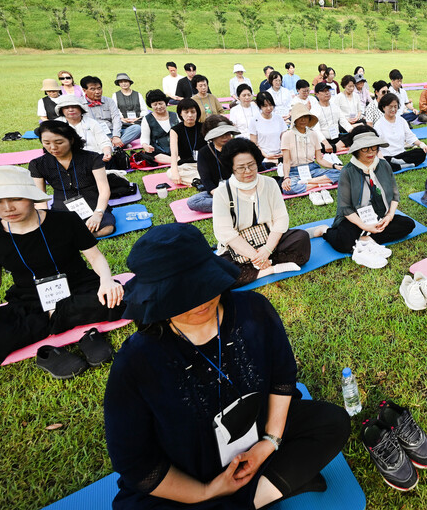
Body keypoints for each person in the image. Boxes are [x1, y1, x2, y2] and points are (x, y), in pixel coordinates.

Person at [104, 223, 349, 510]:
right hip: (188, 469)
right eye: (180, 296)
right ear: (156, 298)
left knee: (331, 422)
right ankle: (265, 491)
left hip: (257, 430)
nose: (199, 301)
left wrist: (268, 443)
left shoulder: (254, 311)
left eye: (202, 286)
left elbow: (282, 379)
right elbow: (137, 464)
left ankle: (254, 495)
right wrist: (207, 491)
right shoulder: (135, 362)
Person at [0, 166, 125, 392]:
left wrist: (106, 280)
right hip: (30, 299)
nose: (7, 208)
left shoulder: (66, 221)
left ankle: (56, 321)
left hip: (80, 287)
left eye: (16, 198)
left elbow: (95, 257)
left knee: (123, 298)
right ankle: (63, 321)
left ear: (31, 196)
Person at [213, 139, 312, 283]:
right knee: (220, 272)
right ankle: (270, 269)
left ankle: (256, 268)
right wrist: (255, 255)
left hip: (268, 239)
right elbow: (225, 233)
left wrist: (267, 250)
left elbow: (281, 219)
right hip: (239, 248)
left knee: (301, 238)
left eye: (251, 165)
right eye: (241, 167)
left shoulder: (270, 183)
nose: (248, 171)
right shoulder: (222, 192)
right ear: (232, 168)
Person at [322, 133, 416, 268]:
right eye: (365, 149)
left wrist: (389, 217)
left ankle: (365, 239)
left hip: (379, 216)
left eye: (374, 148)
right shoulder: (347, 171)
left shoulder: (384, 165)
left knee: (408, 224)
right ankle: (325, 231)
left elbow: (395, 195)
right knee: (344, 243)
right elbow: (345, 208)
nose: (371, 152)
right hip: (354, 219)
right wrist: (365, 226)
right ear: (356, 151)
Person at [30, 121, 116, 237]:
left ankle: (73, 236)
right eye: (46, 143)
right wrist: (45, 218)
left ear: (71, 140)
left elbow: (104, 189)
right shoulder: (38, 164)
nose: (53, 147)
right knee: (51, 231)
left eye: (59, 142)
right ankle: (76, 235)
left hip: (92, 204)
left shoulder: (92, 158)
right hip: (62, 207)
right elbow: (40, 198)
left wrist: (98, 213)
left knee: (107, 229)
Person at [281, 105, 343, 195]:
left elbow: (319, 159)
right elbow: (286, 161)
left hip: (312, 169)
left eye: (305, 117)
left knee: (341, 173)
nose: (303, 120)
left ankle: (308, 182)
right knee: (288, 188)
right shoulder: (287, 135)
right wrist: (286, 178)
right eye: (300, 117)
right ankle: (319, 184)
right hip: (294, 171)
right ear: (294, 119)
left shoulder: (313, 134)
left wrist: (334, 166)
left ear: (309, 119)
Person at [188, 119, 238, 214]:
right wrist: (217, 193)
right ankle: (236, 204)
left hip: (240, 188)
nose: (225, 137)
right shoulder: (204, 152)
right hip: (218, 190)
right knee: (193, 202)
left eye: (228, 134)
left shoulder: (238, 147)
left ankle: (234, 204)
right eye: (221, 134)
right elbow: (205, 178)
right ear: (213, 136)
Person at [374, 93, 427, 171]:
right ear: (383, 107)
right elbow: (376, 146)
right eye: (390, 107)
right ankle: (404, 165)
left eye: (395, 107)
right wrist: (381, 158)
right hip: (387, 156)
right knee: (383, 164)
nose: (393, 109)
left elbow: (410, 137)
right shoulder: (378, 124)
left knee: (421, 153)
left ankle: (400, 163)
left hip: (401, 154)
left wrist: (421, 144)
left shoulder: (401, 121)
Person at [55, 95, 112, 162]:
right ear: (61, 110)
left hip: (94, 157)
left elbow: (104, 141)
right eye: (66, 108)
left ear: (80, 109)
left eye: (74, 107)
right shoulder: (56, 124)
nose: (70, 110)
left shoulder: (92, 123)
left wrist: (107, 152)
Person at [80, 75, 125, 150]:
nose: (97, 92)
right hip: (94, 134)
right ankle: (116, 145)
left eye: (99, 88)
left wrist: (116, 136)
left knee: (136, 128)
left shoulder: (109, 101)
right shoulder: (79, 104)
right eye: (92, 89)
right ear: (84, 90)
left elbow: (116, 118)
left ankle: (112, 145)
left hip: (111, 131)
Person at [168, 99, 204, 187]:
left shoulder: (204, 127)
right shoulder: (175, 130)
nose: (190, 115)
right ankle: (201, 181)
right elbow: (174, 153)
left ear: (197, 113)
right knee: (170, 173)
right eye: (186, 112)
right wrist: (175, 172)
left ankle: (198, 181)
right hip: (186, 166)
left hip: (203, 164)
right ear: (180, 113)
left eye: (193, 112)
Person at [141, 89, 181, 164]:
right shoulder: (147, 119)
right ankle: (177, 161)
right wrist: (145, 145)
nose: (159, 107)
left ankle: (176, 159)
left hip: (176, 147)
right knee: (152, 155)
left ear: (165, 103)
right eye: (155, 104)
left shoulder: (176, 116)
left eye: (160, 103)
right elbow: (144, 137)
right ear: (151, 105)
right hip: (158, 151)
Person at [250, 91, 287, 164]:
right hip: (263, 154)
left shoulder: (278, 118)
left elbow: (284, 137)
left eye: (270, 105)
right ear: (260, 106)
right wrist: (266, 155)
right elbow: (254, 143)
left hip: (279, 153)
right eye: (265, 106)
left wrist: (283, 151)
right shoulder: (254, 120)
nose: (269, 108)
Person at [113, 73, 149, 145]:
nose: (124, 84)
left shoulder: (137, 94)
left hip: (138, 121)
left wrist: (137, 118)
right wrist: (123, 119)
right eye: (121, 82)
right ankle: (124, 142)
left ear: (129, 82)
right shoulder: (115, 95)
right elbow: (115, 110)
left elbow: (145, 110)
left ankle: (119, 145)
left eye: (125, 81)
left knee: (139, 128)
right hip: (123, 122)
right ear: (119, 84)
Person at [312, 82, 345, 152]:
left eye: (328, 91)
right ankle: (336, 147)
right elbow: (316, 130)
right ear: (317, 94)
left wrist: (352, 131)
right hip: (323, 140)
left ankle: (335, 147)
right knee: (317, 146)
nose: (327, 93)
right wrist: (326, 143)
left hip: (337, 137)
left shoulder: (335, 106)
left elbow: (343, 121)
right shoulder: (314, 110)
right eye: (324, 91)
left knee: (354, 134)